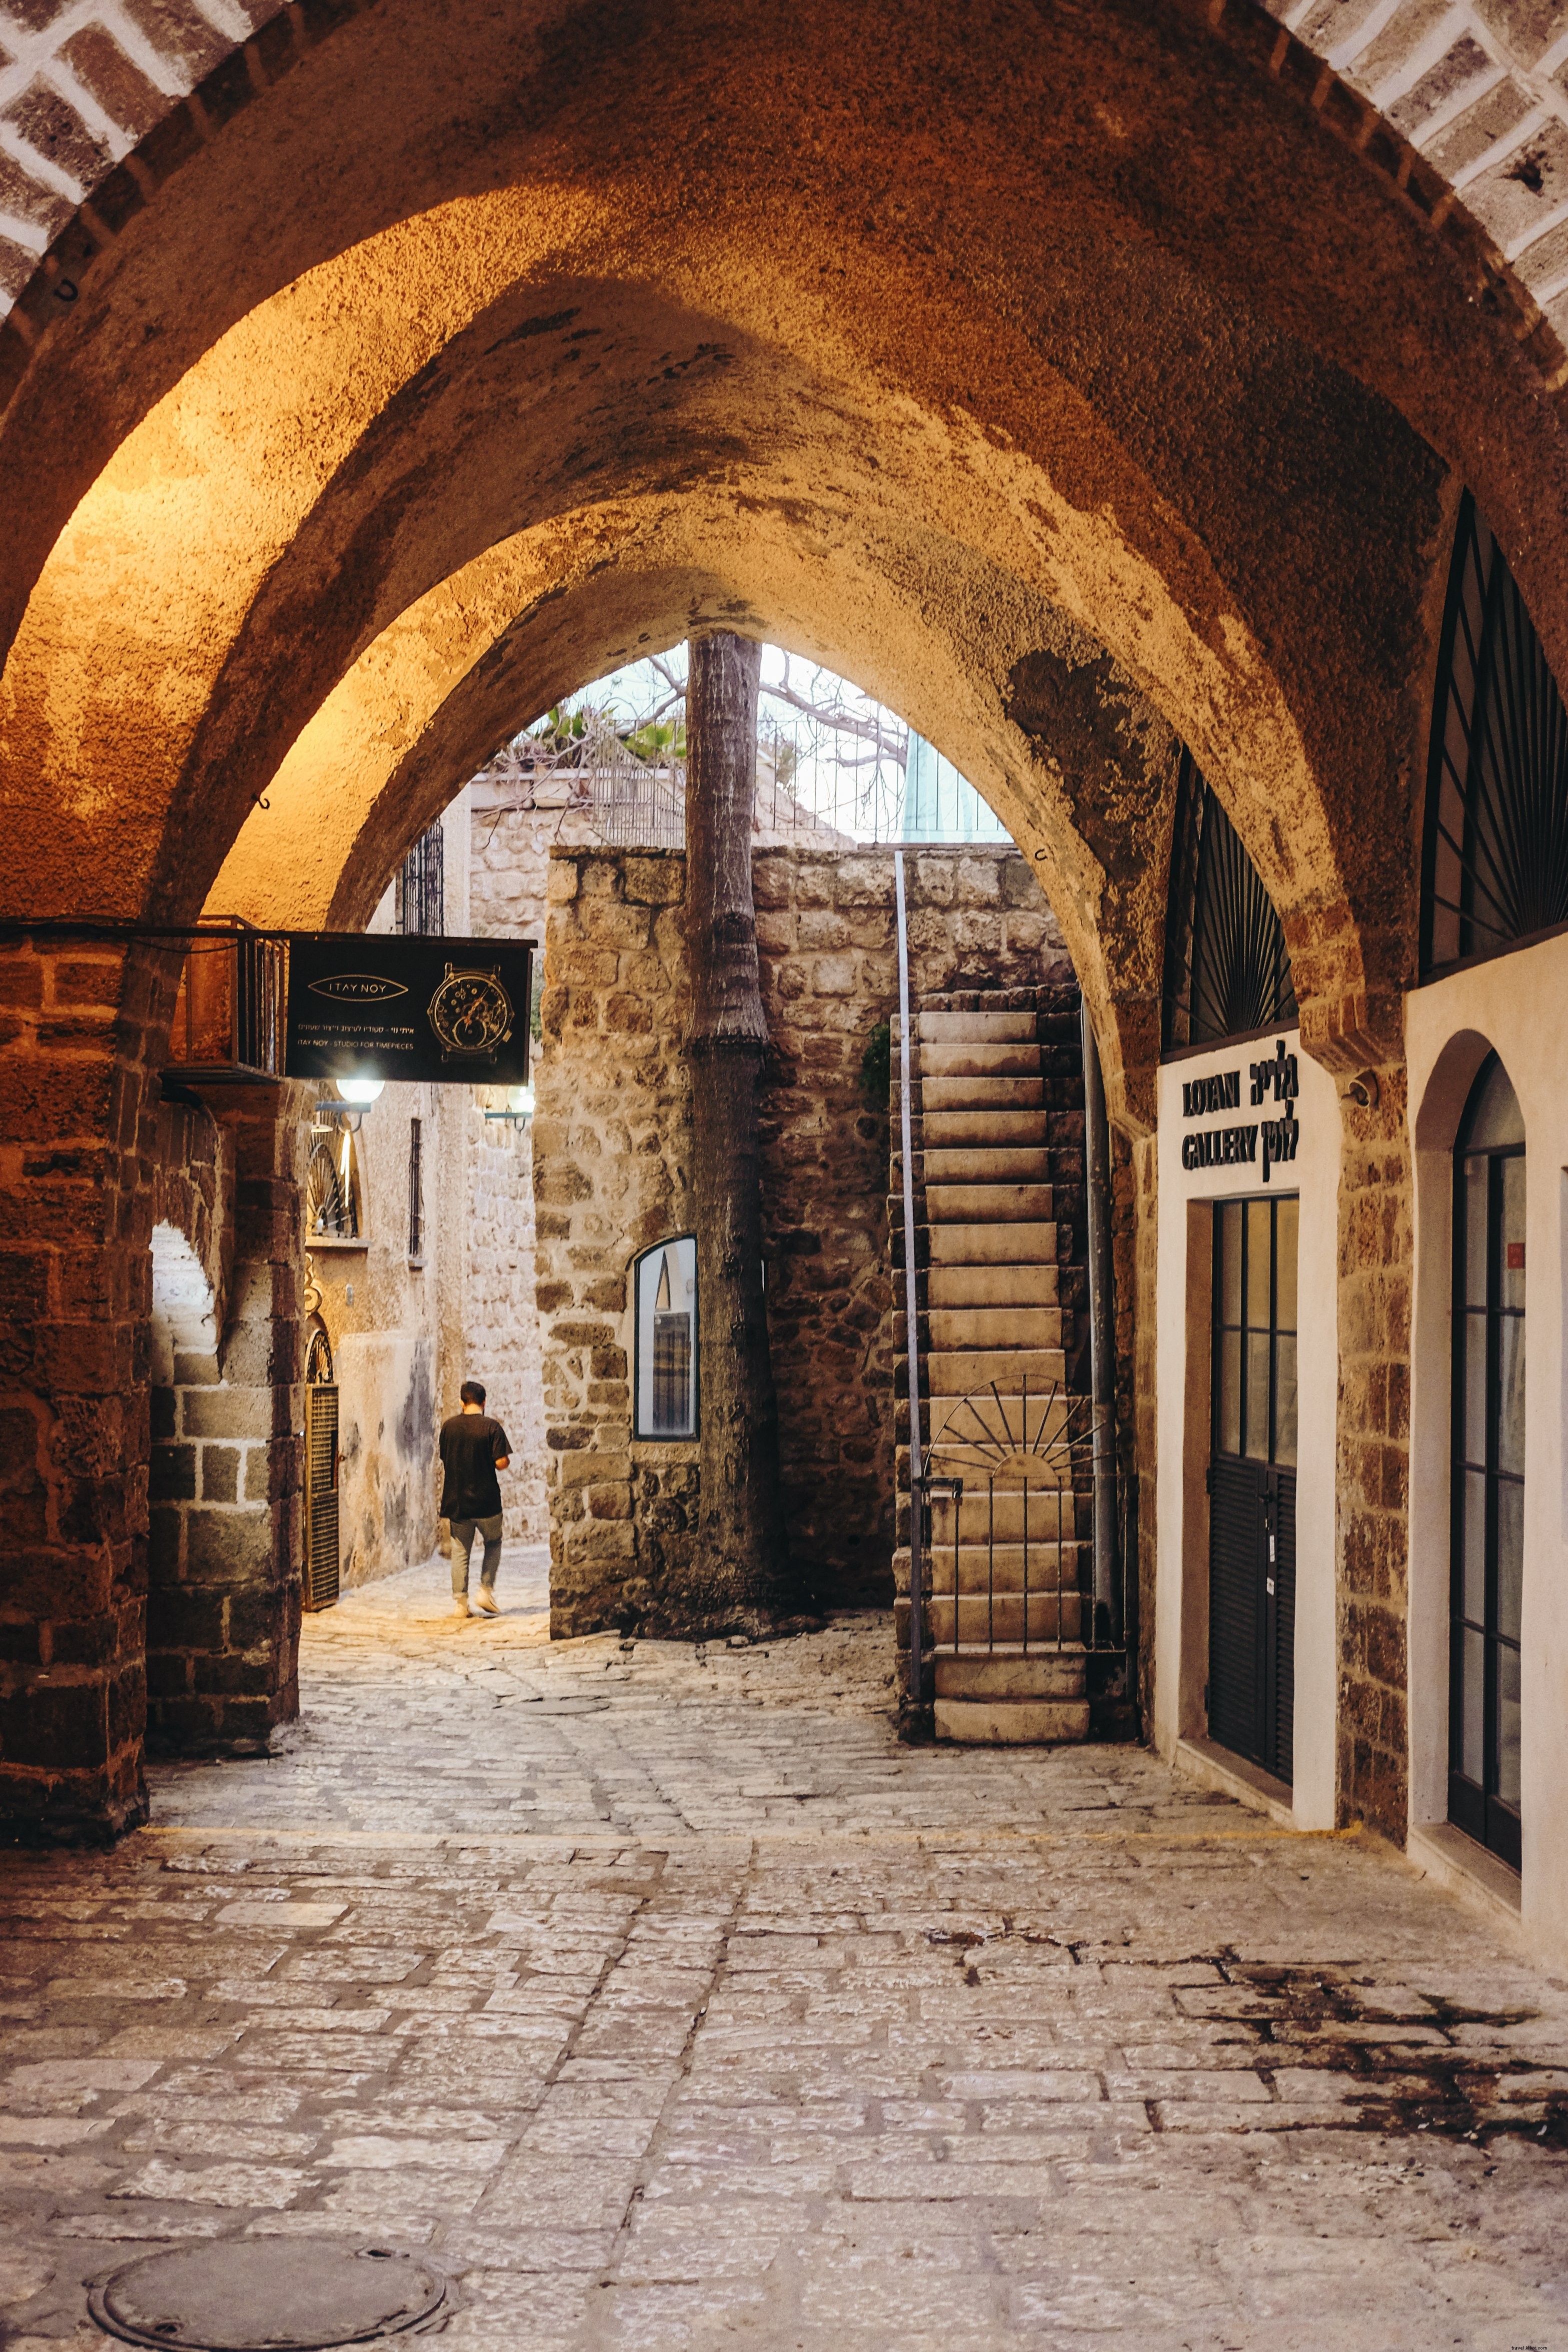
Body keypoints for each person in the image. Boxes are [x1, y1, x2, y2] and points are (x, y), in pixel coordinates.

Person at [438, 1380, 512, 1617]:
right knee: (494, 1543)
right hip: (487, 1501)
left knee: (460, 1550)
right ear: (484, 1402)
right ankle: (485, 1591)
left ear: (462, 1403)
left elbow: (445, 1458)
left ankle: (461, 1604)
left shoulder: (448, 1428)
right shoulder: (492, 1428)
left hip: (457, 1501)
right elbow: (501, 1463)